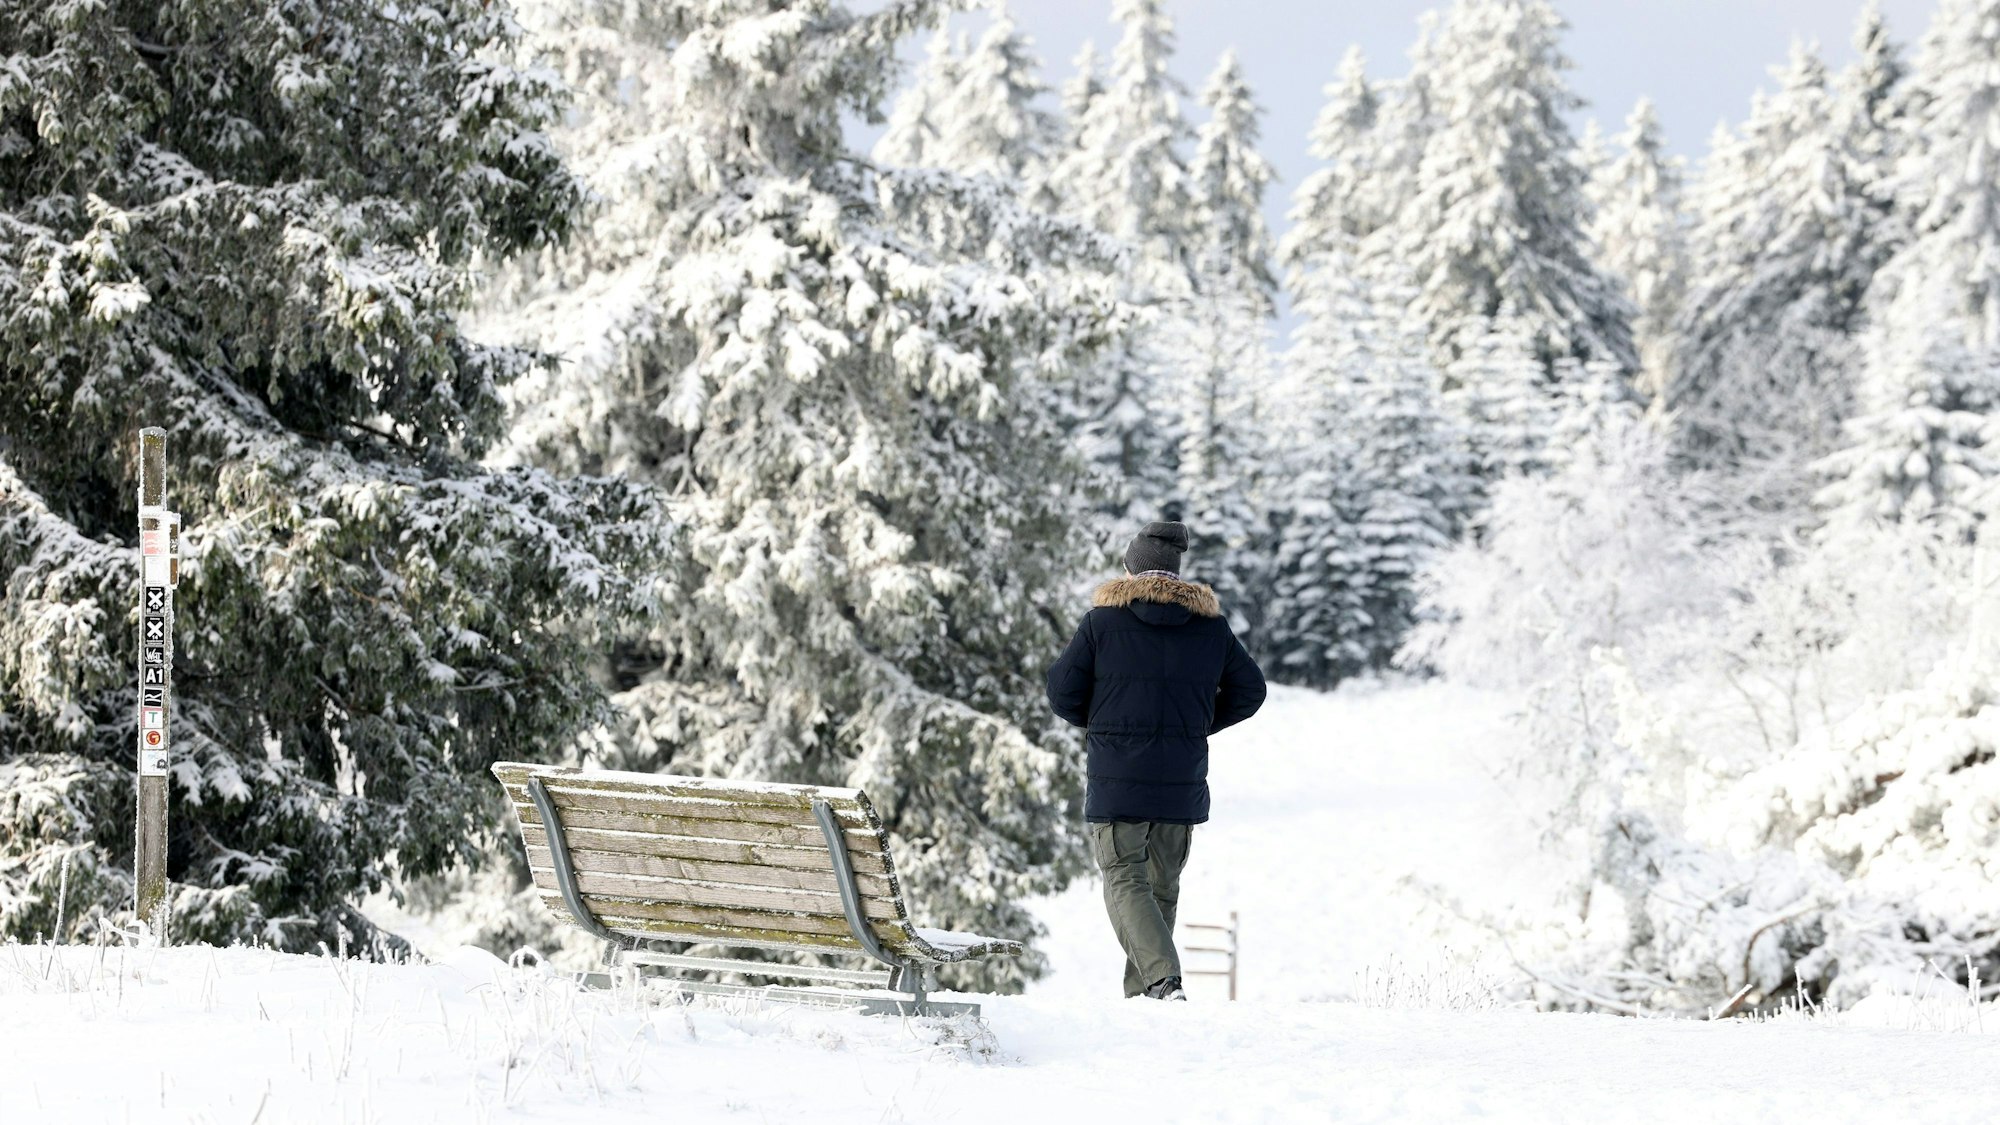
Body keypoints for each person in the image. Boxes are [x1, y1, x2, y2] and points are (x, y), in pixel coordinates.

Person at [1045, 520, 1267, 1000]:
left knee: (1125, 880)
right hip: (1180, 780)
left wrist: (1105, 720)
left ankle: (1164, 980)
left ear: (1130, 569)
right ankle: (1147, 1002)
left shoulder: (1101, 624)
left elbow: (1062, 694)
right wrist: (1195, 725)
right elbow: (1251, 691)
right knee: (1159, 891)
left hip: (1117, 777)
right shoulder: (1211, 628)